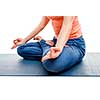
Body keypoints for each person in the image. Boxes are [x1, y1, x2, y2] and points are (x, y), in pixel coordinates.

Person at [11, 16, 86, 73]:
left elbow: (66, 26)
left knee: (52, 65)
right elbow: (41, 25)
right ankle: (49, 50)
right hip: (56, 41)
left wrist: (58, 48)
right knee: (21, 49)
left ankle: (45, 45)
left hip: (74, 45)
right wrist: (24, 40)